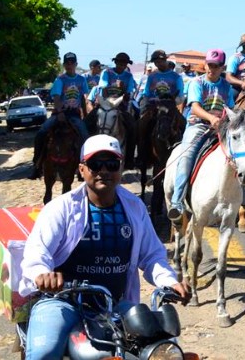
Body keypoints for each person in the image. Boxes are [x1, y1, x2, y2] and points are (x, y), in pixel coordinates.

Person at [19, 135, 189, 360]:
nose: (104, 170)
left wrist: (169, 282)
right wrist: (42, 274)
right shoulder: (60, 208)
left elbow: (152, 255)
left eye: (111, 164)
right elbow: (37, 251)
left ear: (121, 167)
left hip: (113, 305)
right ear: (82, 169)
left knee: (160, 344)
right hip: (63, 302)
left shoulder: (135, 207)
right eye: (95, 164)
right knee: (45, 353)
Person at [167, 49, 235, 221]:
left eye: (216, 66)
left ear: (222, 67)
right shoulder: (197, 83)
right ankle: (177, 201)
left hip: (221, 128)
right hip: (198, 126)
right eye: (209, 65)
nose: (212, 69)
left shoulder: (227, 86)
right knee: (186, 157)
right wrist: (211, 118)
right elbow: (195, 107)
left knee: (241, 156)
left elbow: (230, 108)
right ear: (205, 65)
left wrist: (226, 120)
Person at [30, 52, 90, 179]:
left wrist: (85, 115)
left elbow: (83, 98)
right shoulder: (60, 80)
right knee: (42, 133)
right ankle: (37, 164)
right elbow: (56, 97)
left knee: (85, 136)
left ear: (76, 64)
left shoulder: (81, 80)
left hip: (74, 114)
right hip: (60, 113)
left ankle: (84, 165)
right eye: (67, 63)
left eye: (72, 63)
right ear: (64, 65)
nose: (69, 65)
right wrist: (60, 112)